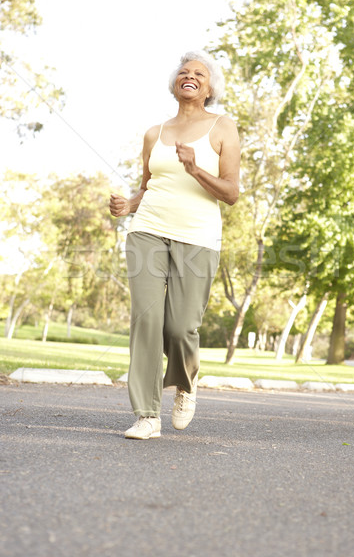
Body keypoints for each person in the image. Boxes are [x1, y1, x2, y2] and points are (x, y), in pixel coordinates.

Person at [109, 50, 241, 440]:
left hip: (198, 237)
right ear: (174, 84)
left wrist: (196, 168)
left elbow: (232, 193)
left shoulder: (223, 127)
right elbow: (147, 185)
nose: (190, 75)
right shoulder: (155, 133)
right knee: (146, 320)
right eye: (184, 71)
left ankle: (186, 382)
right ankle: (147, 415)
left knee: (181, 327)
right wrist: (127, 205)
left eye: (199, 73)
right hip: (148, 229)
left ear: (210, 88)